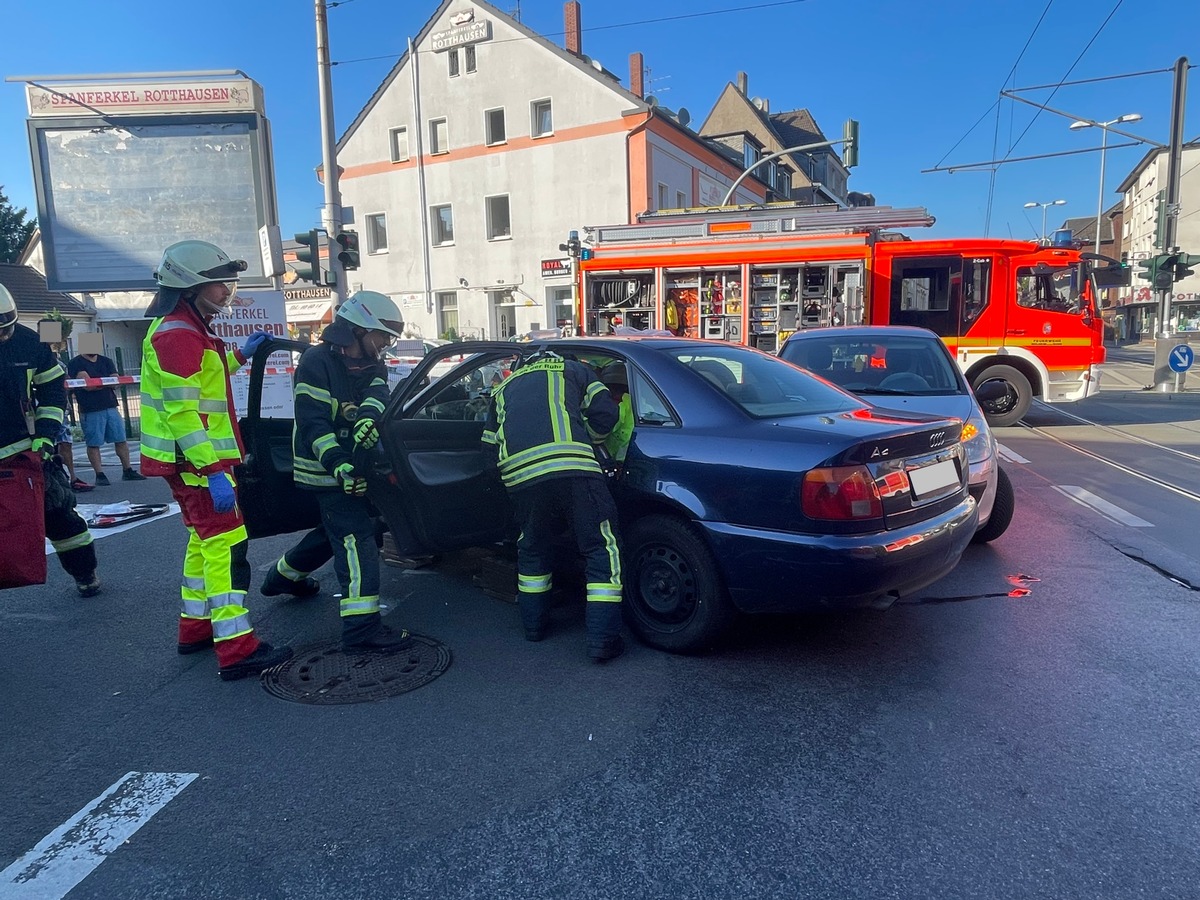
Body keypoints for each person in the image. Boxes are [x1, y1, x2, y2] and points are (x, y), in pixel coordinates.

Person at [140, 240, 292, 681]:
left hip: (188, 463)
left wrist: (242, 353)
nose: (228, 290)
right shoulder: (179, 334)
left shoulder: (185, 328)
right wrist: (212, 471)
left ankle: (195, 628)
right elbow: (183, 412)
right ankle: (237, 649)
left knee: (202, 543)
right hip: (197, 464)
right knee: (226, 547)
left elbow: (206, 378)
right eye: (220, 283)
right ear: (190, 286)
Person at [273, 289, 412, 650]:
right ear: (360, 330)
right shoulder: (316, 362)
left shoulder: (372, 362)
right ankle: (361, 630)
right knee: (355, 539)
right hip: (322, 467)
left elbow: (377, 393)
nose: (384, 345)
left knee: (334, 529)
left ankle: (281, 576)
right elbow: (312, 424)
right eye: (382, 336)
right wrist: (340, 466)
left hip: (355, 462)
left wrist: (367, 417)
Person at [482, 348, 624, 661]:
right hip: (574, 469)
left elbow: (489, 452)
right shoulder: (574, 371)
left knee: (533, 548)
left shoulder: (503, 387)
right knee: (600, 548)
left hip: (521, 477)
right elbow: (606, 414)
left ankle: (534, 627)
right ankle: (603, 641)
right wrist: (586, 439)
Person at [0, 284, 101, 596]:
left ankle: (85, 573)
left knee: (58, 514)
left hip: (25, 451)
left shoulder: (30, 342)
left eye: (7, 329)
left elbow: (53, 392)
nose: (4, 337)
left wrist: (45, 437)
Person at [67, 344, 146, 486]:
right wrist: (105, 382)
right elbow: (88, 385)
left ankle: (127, 470)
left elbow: (115, 382)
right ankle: (100, 474)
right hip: (91, 409)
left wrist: (99, 382)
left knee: (121, 439)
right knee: (94, 443)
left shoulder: (106, 361)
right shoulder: (76, 363)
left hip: (111, 405)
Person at [598, 362, 633, 464]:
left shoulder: (617, 404)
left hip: (616, 462)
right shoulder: (639, 404)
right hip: (629, 459)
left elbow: (600, 428)